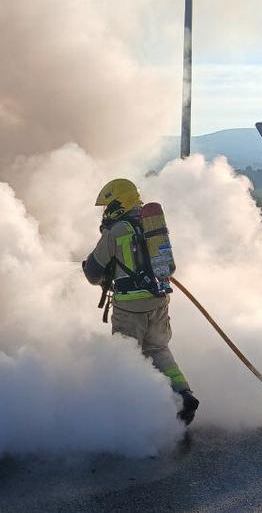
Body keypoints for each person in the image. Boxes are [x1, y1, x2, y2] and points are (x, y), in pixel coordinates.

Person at [81, 178, 199, 425]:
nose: (105, 212)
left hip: (129, 308)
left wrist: (91, 266)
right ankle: (183, 394)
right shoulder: (150, 224)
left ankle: (132, 418)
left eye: (108, 207)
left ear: (118, 204)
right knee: (158, 349)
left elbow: (93, 273)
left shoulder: (116, 232)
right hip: (159, 301)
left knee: (127, 359)